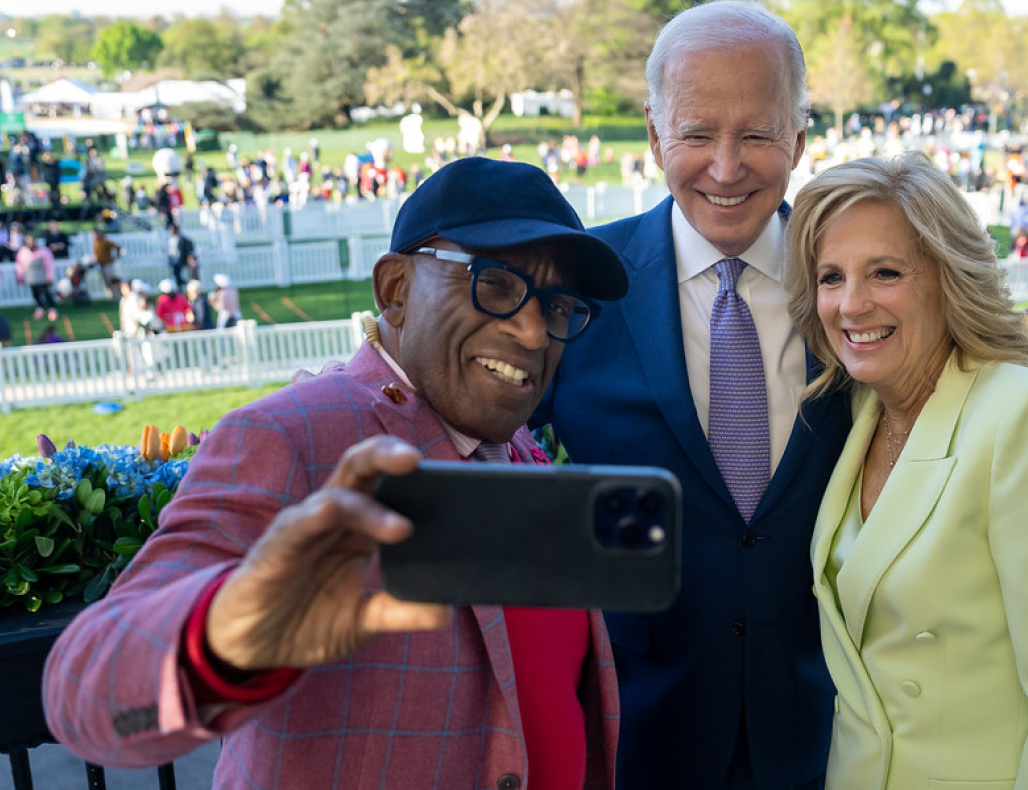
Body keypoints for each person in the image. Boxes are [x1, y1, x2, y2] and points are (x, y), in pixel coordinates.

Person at [43, 157, 629, 789]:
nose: (535, 331)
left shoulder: (518, 448)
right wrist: (230, 637)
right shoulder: (292, 437)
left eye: (558, 305)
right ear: (396, 289)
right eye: (495, 284)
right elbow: (92, 703)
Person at [535, 0, 852, 790]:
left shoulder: (856, 285)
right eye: (697, 134)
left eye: (755, 134)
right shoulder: (581, 286)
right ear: (653, 135)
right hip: (637, 736)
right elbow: (470, 427)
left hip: (832, 735)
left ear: (801, 137)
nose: (724, 166)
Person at [784, 153, 1028, 789]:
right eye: (831, 277)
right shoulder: (855, 415)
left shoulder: (1026, 418)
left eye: (884, 272)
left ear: (948, 277)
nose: (851, 305)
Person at [15, 234, 57, 321]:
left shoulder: (44, 251)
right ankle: (40, 309)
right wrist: (19, 276)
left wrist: (50, 276)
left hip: (42, 275)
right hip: (31, 276)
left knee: (45, 292)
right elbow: (20, 266)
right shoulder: (22, 252)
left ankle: (51, 309)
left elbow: (49, 265)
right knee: (35, 293)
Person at [91, 228, 124, 298]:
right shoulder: (95, 243)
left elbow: (118, 247)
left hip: (108, 264)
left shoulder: (105, 242)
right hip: (100, 265)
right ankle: (111, 297)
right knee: (106, 282)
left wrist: (116, 257)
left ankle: (118, 296)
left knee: (112, 281)